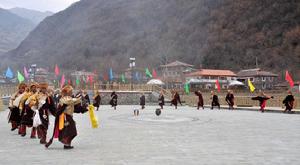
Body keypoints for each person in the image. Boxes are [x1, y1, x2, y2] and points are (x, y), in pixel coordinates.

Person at [45, 85, 87, 149]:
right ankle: (65, 141)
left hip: (69, 116)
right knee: (71, 131)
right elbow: (70, 102)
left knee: (70, 131)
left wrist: (84, 109)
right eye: (70, 91)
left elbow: (75, 109)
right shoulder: (64, 99)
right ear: (67, 92)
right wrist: (79, 98)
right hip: (64, 117)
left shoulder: (70, 98)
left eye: (71, 91)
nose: (71, 92)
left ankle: (67, 144)